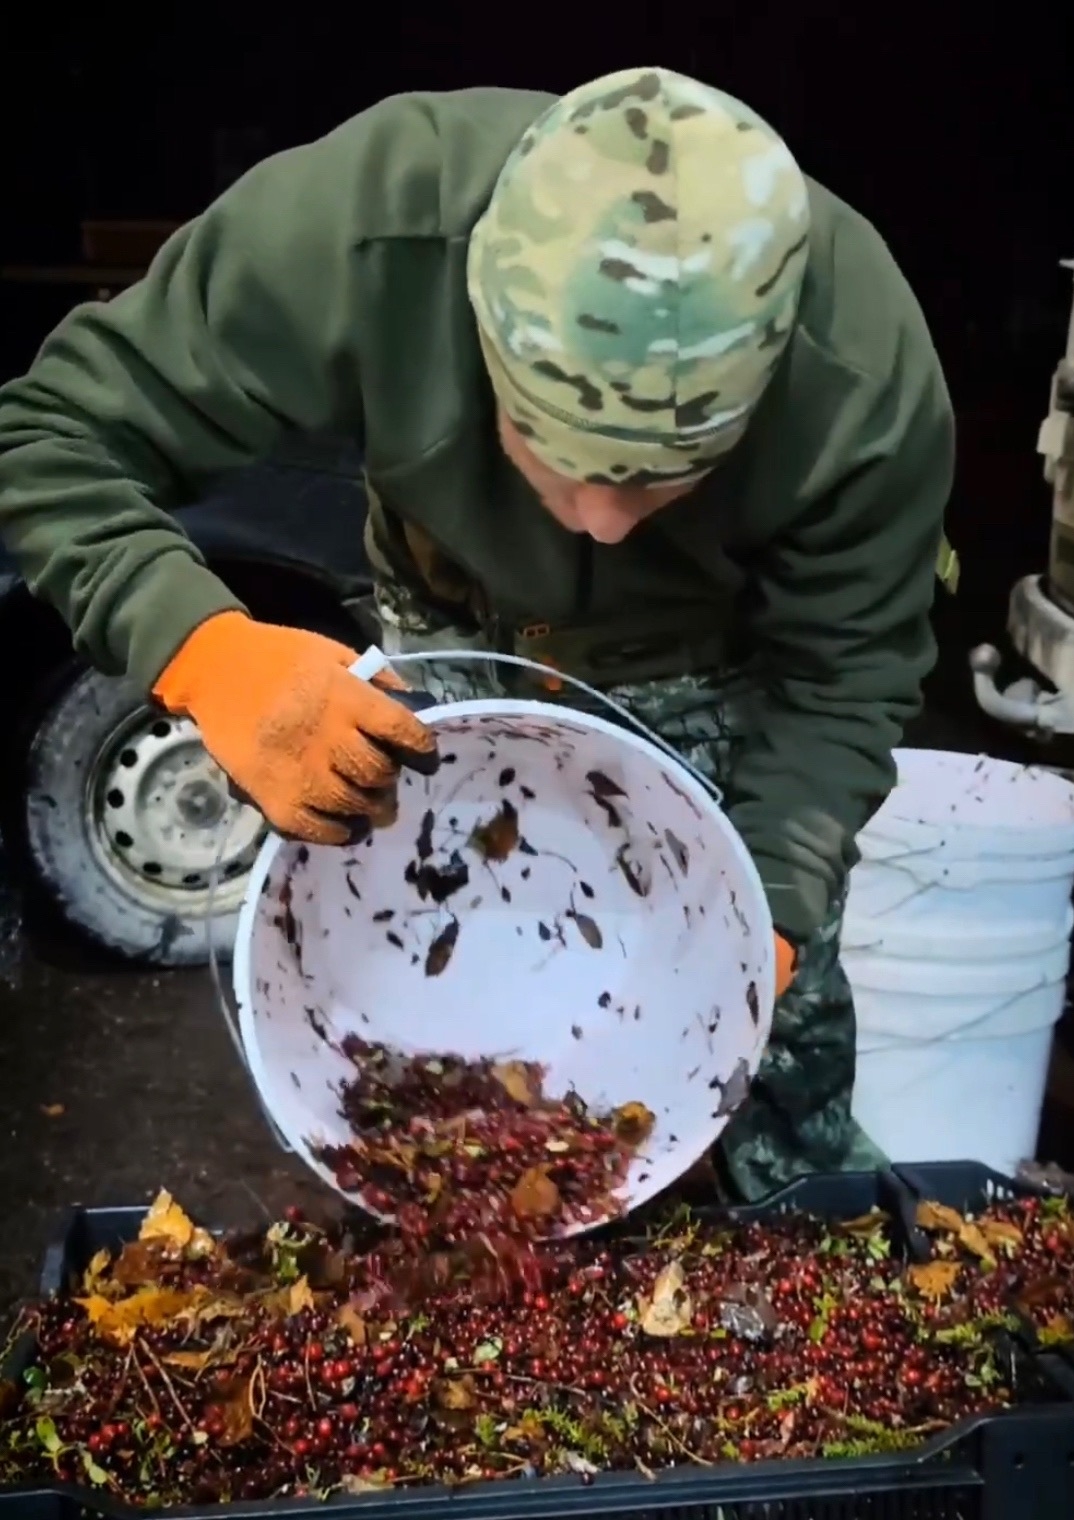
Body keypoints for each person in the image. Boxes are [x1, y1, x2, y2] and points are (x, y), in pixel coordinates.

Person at [0, 67, 956, 1201]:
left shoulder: (866, 377)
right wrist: (201, 646)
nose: (599, 518)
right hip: (455, 609)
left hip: (712, 653)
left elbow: (845, 678)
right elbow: (49, 431)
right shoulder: (363, 234)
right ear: (477, 326)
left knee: (768, 1064)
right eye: (554, 452)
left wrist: (771, 918)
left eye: (660, 481)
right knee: (432, 985)